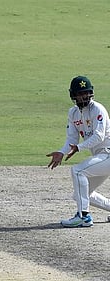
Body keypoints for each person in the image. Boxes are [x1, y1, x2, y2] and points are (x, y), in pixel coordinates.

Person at [47, 75, 110, 227]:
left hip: (108, 153)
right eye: (80, 94)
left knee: (77, 171)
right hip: (101, 157)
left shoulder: (98, 109)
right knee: (80, 194)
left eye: (86, 93)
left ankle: (84, 216)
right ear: (73, 95)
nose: (84, 96)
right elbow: (71, 139)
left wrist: (80, 148)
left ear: (91, 93)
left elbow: (99, 136)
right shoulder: (73, 113)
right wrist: (62, 152)